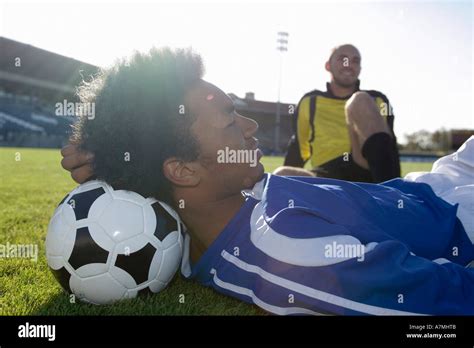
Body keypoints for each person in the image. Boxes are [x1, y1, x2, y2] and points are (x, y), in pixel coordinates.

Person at [61, 47, 474, 315]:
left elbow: (150, 164)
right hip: (460, 211)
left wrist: (111, 153)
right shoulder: (288, 248)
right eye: (228, 118)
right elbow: (450, 298)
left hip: (437, 182)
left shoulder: (214, 209)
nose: (250, 124)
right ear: (183, 171)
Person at [279, 44, 400, 182]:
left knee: (360, 100)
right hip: (325, 177)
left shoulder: (377, 100)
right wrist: (285, 185)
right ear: (328, 66)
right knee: (281, 174)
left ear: (360, 68)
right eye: (342, 59)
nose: (348, 65)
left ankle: (392, 193)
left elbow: (390, 149)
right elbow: (299, 148)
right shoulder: (310, 101)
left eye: (355, 61)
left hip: (367, 172)